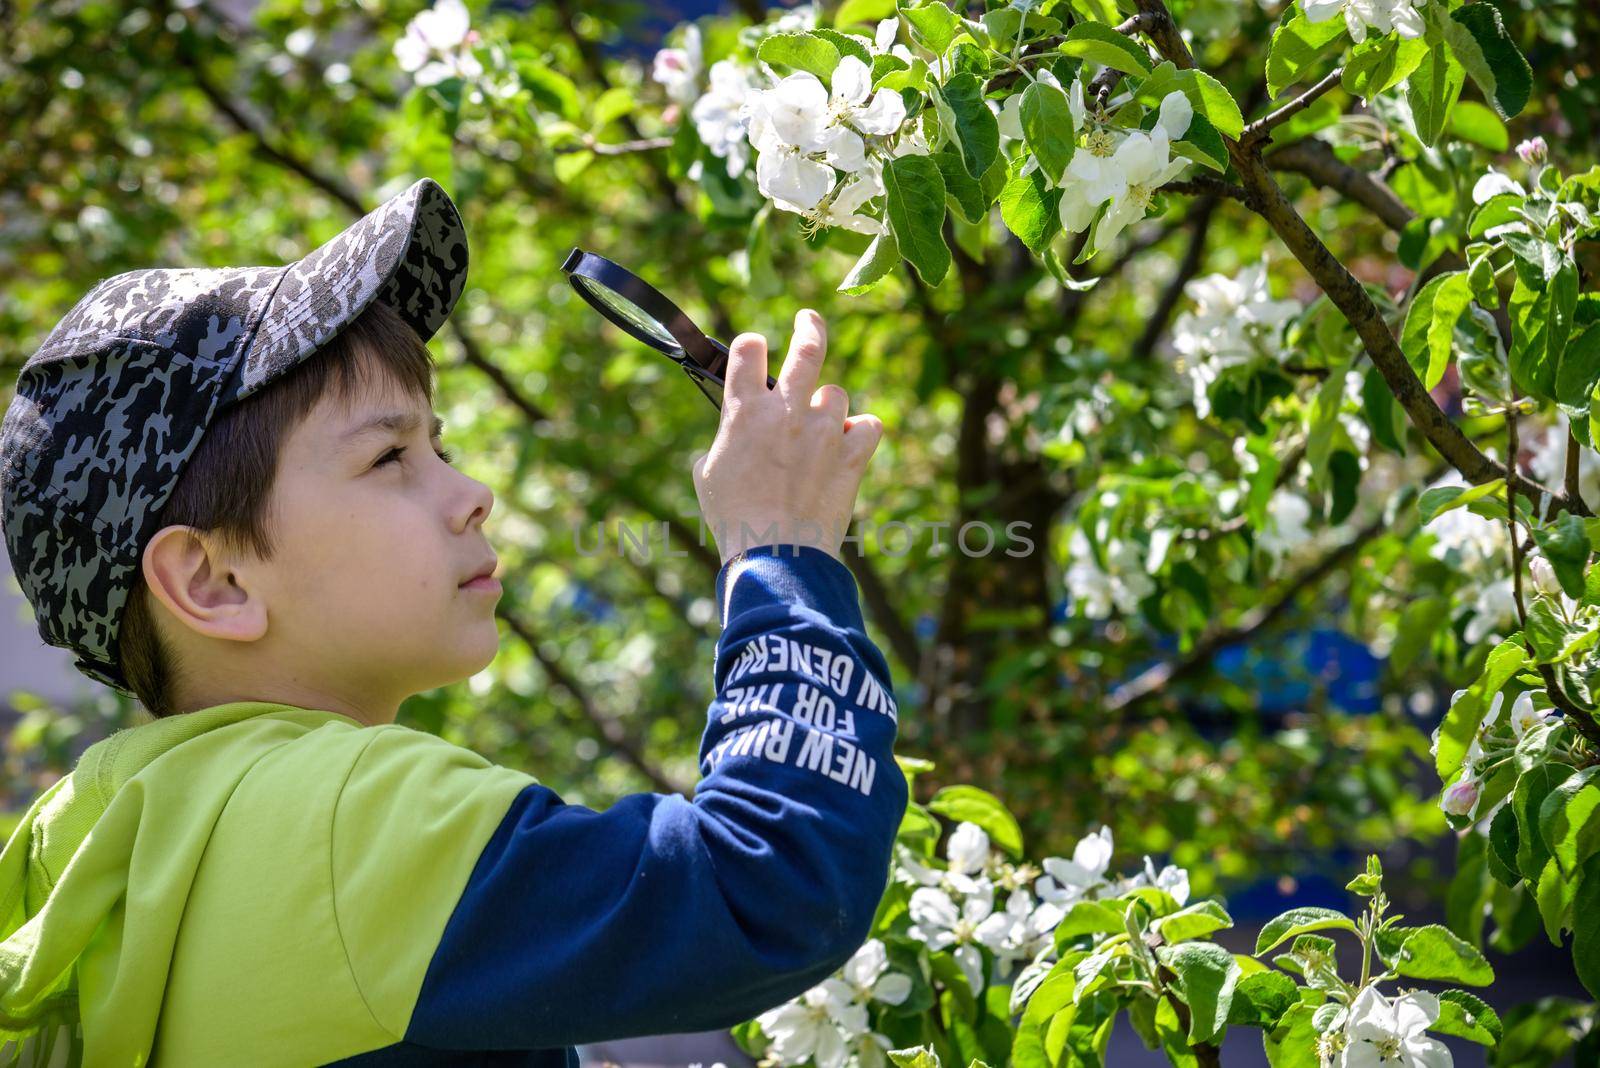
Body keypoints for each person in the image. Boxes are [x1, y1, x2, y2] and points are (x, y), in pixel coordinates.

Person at [0, 178, 906, 1066]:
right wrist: (779, 552)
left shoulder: (81, 848)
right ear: (212, 581)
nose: (473, 496)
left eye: (443, 446)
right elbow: (772, 880)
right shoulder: (344, 817)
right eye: (390, 455)